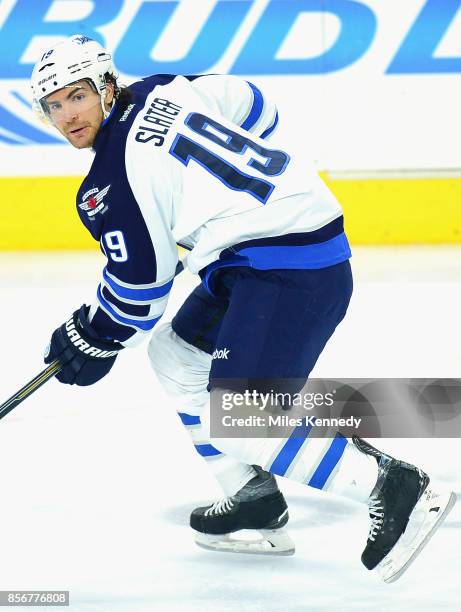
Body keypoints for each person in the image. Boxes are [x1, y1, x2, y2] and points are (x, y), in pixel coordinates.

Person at [31, 35, 455, 581]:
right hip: (271, 249)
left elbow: (140, 294)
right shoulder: (169, 89)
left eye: (78, 96)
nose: (68, 115)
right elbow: (255, 104)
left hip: (285, 268)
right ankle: (253, 498)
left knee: (240, 419)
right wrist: (221, 191)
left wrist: (91, 335)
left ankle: (395, 487)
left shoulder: (112, 180)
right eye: (55, 105)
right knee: (177, 355)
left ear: (107, 86)